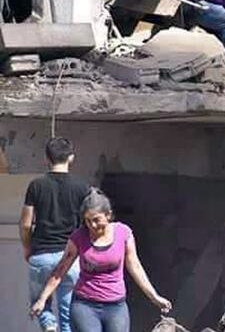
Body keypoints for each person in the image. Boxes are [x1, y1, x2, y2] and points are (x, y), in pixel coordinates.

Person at [31, 190, 171, 332]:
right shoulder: (79, 237)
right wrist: (42, 299)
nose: (92, 225)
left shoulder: (123, 233)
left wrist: (155, 297)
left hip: (116, 306)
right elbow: (60, 270)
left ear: (108, 215)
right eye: (87, 220)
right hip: (85, 305)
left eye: (96, 219)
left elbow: (135, 267)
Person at [20, 137, 90, 332]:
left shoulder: (36, 185)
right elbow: (88, 224)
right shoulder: (82, 187)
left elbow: (26, 224)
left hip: (41, 254)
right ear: (71, 157)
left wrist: (27, 248)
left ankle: (49, 324)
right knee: (68, 312)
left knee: (40, 302)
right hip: (70, 257)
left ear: (46, 158)